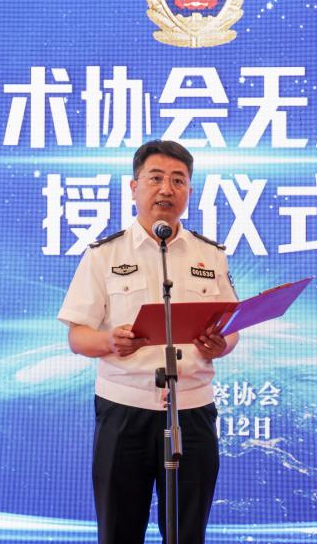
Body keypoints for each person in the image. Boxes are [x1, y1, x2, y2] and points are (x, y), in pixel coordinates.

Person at [58, 139, 239, 544]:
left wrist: (221, 343)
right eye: (155, 178)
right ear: (134, 186)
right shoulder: (104, 255)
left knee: (187, 533)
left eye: (178, 180)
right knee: (119, 531)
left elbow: (232, 330)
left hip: (192, 411)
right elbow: (77, 337)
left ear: (189, 191)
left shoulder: (210, 255)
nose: (166, 189)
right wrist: (110, 341)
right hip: (125, 413)